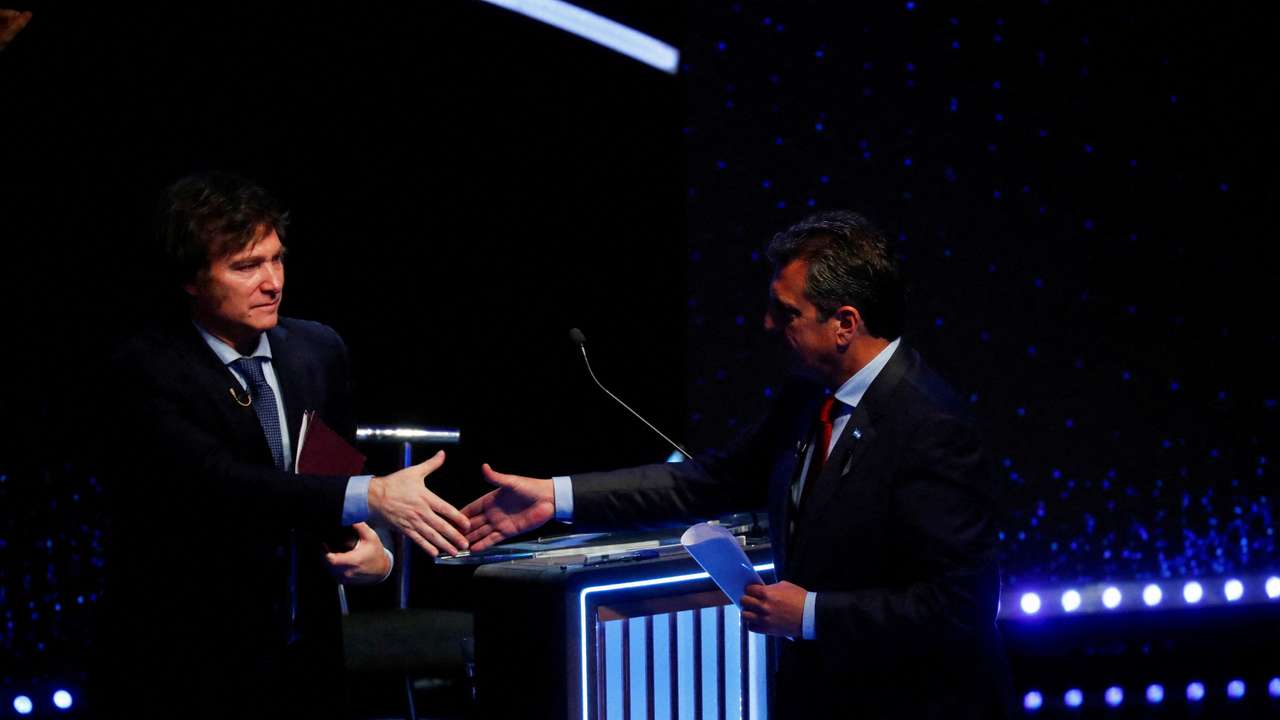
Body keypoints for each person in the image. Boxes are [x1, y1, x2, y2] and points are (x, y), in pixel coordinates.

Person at [461, 211, 1012, 718]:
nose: (768, 326)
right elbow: (706, 482)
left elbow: (962, 604)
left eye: (786, 311)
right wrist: (555, 497)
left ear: (845, 323)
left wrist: (813, 614)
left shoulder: (931, 424)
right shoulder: (807, 400)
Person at [96, 172, 471, 719]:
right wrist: (372, 495)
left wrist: (377, 552)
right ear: (192, 280)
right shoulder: (144, 367)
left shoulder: (317, 350)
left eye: (276, 259)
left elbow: (332, 478)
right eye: (246, 266)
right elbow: (222, 482)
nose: (272, 282)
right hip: (188, 654)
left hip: (306, 650)